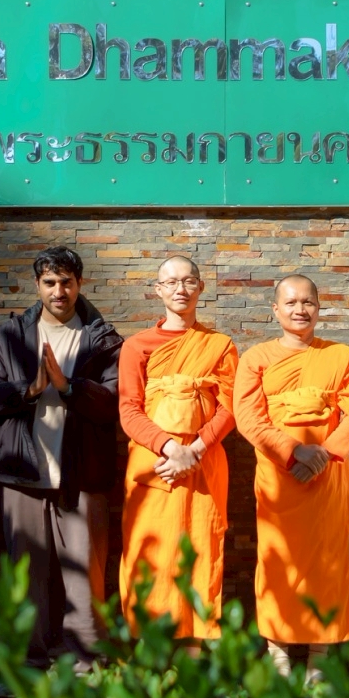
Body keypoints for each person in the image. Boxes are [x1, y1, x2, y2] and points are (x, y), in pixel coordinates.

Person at [0, 246, 123, 668]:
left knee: (85, 575)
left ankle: (86, 658)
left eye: (67, 282)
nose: (59, 291)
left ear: (80, 284)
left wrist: (70, 387)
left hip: (82, 473)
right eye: (50, 283)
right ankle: (28, 658)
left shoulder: (102, 336)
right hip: (22, 471)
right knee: (26, 575)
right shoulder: (12, 335)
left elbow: (115, 402)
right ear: (38, 285)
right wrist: (30, 390)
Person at [234, 274, 349, 678]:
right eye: (291, 303)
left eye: (307, 302)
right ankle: (277, 652)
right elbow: (248, 418)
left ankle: (319, 656)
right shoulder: (256, 358)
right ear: (275, 310)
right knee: (277, 562)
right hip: (279, 478)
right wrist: (293, 452)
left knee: (328, 564)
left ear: (319, 307)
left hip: (327, 475)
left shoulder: (341, 355)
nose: (300, 310)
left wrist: (324, 454)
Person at [118, 255, 238, 640]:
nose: (180, 289)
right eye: (171, 283)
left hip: (204, 463)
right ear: (158, 290)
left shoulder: (219, 345)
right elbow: (128, 410)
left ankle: (193, 649)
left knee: (201, 548)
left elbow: (230, 408)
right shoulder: (137, 346)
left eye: (188, 281)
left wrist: (195, 449)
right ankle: (150, 649)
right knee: (150, 553)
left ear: (201, 287)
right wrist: (171, 448)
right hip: (153, 463)